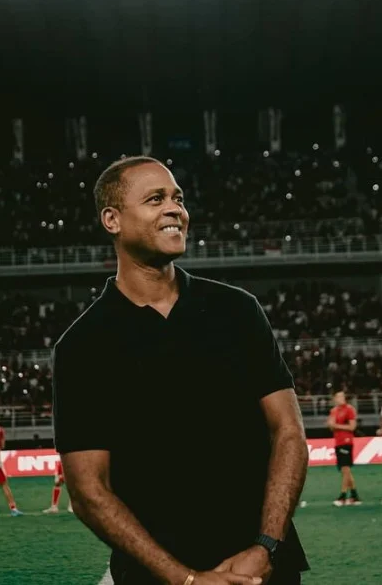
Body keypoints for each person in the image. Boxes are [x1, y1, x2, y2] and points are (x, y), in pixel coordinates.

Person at [53, 156, 309, 585]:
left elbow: (288, 432)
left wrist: (265, 546)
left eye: (179, 198)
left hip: (262, 571)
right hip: (154, 578)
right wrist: (186, 579)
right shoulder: (82, 346)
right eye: (156, 199)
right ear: (112, 220)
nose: (175, 209)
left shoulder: (237, 311)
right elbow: (88, 490)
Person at [328, 391, 362, 506]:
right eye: (338, 396)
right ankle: (354, 495)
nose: (341, 398)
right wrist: (332, 425)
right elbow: (331, 426)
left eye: (342, 396)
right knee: (345, 470)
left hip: (346, 442)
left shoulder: (349, 409)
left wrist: (335, 425)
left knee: (345, 469)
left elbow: (352, 427)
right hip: (338, 442)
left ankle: (343, 495)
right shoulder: (334, 411)